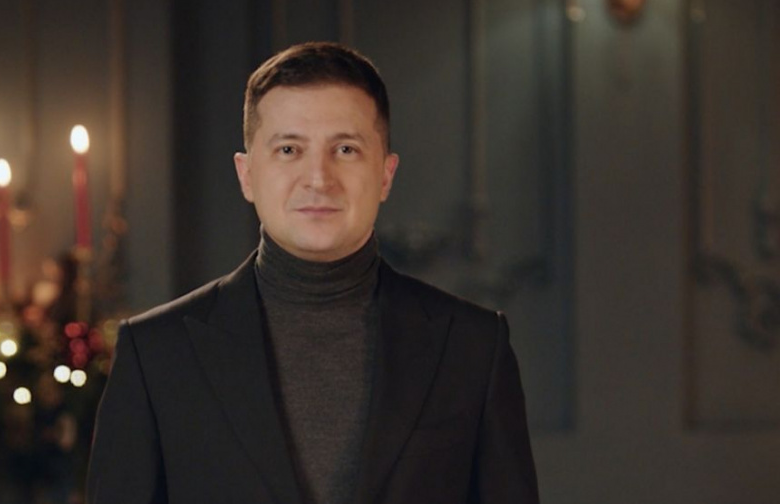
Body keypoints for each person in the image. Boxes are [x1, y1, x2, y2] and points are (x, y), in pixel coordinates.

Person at [86, 41, 539, 504]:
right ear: (246, 174)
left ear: (385, 174)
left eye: (345, 149)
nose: (319, 178)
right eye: (289, 149)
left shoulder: (473, 347)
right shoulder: (156, 353)